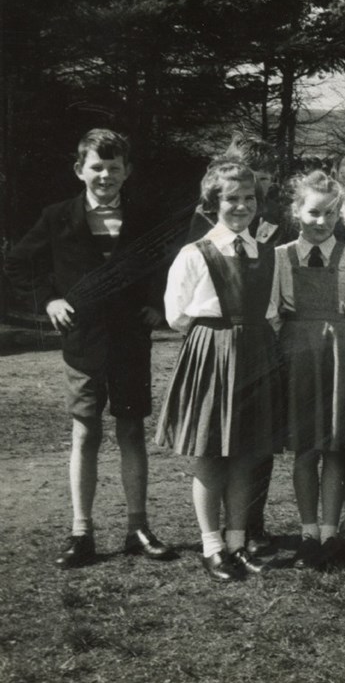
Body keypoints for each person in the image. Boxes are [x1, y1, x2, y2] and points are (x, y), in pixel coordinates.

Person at [6, 128, 174, 568]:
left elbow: (170, 265)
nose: (105, 175)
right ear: (80, 169)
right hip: (83, 344)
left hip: (130, 342)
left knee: (132, 430)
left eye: (114, 168)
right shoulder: (58, 216)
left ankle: (138, 527)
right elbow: (20, 263)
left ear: (128, 172)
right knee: (86, 432)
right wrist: (49, 299)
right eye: (96, 167)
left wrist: (157, 304)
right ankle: (81, 531)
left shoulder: (145, 217)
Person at [156, 162, 282, 582]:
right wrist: (218, 339)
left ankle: (236, 541)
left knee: (247, 453)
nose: (241, 206)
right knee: (211, 455)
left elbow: (273, 308)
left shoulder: (265, 251)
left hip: (256, 353)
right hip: (212, 354)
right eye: (231, 199)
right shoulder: (195, 253)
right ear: (212, 205)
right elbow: (176, 315)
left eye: (249, 199)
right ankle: (211, 546)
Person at [272, 170, 345, 571]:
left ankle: (332, 532)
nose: (321, 222)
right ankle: (307, 533)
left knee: (335, 447)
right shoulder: (280, 258)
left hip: (341, 359)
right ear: (297, 211)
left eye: (330, 214)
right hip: (297, 361)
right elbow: (270, 316)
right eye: (313, 213)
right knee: (305, 449)